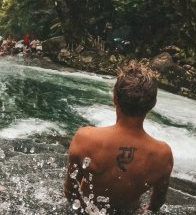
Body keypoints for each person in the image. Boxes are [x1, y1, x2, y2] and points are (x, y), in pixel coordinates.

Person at [64, 61, 173, 214]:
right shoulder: (163, 155)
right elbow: (156, 204)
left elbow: (70, 192)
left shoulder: (85, 138)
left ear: (115, 98)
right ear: (152, 104)